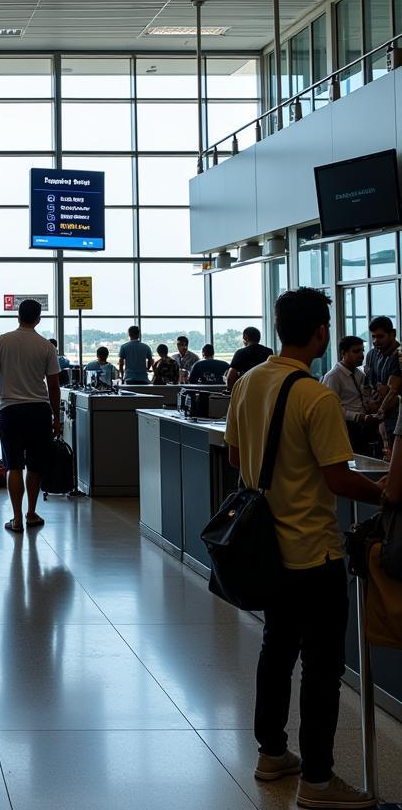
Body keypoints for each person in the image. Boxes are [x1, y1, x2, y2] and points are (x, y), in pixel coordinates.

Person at [225, 288, 386, 809]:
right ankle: (318, 781)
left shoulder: (248, 382)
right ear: (321, 333)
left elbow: (234, 454)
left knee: (276, 651)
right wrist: (385, 492)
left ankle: (272, 752)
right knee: (321, 667)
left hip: (268, 548)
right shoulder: (315, 395)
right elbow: (339, 480)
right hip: (313, 553)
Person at [0, 299, 60, 533]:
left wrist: (3, 397)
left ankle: (16, 519)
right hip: (39, 410)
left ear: (18, 317)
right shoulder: (47, 346)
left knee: (14, 465)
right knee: (35, 465)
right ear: (38, 319)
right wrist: (56, 417)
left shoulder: (1, 341)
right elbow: (54, 386)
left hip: (10, 410)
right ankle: (31, 513)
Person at [321, 336, 379, 455]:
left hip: (363, 427)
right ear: (343, 353)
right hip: (347, 428)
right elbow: (332, 408)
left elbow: (365, 396)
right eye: (356, 351)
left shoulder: (359, 374)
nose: (361, 355)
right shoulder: (333, 376)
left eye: (362, 350)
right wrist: (358, 417)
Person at [363, 316, 401, 449]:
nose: (375, 341)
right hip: (377, 416)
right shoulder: (372, 354)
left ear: (393, 334)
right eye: (373, 337)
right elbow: (369, 385)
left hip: (396, 418)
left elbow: (393, 391)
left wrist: (382, 410)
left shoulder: (399, 356)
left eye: (380, 336)